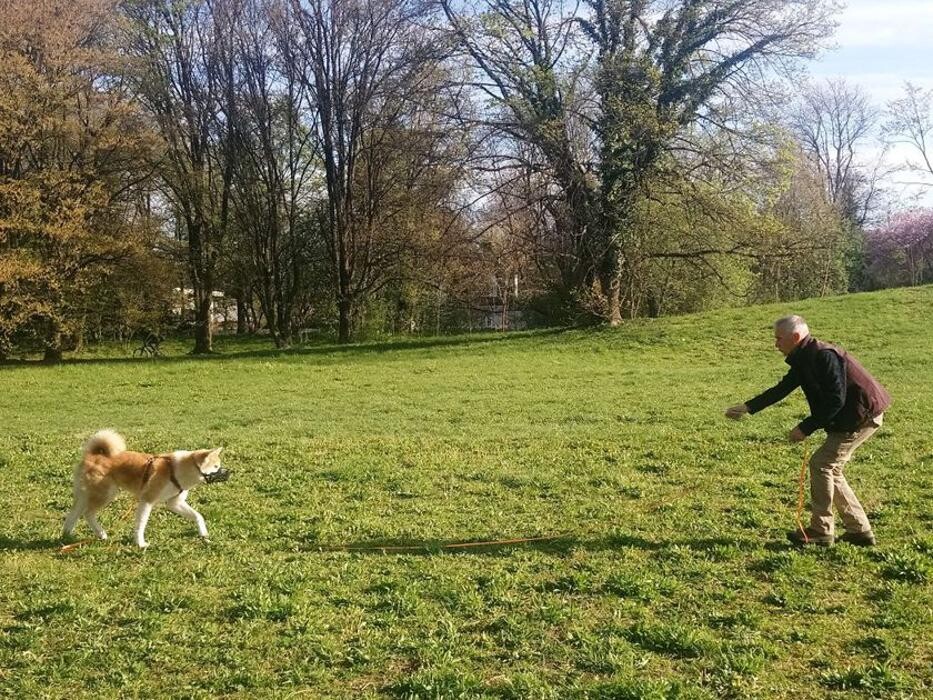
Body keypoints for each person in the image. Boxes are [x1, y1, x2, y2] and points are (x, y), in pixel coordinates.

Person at [725, 315, 891, 546]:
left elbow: (836, 399)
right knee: (830, 469)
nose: (776, 344)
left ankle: (821, 530)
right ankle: (859, 531)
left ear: (795, 337)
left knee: (822, 464)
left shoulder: (823, 356)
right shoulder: (803, 357)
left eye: (778, 339)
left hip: (861, 416)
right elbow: (782, 388)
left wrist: (805, 428)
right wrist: (748, 407)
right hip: (847, 417)